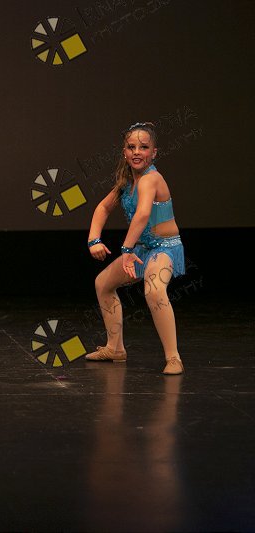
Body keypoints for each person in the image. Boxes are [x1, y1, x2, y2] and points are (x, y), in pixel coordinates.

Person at [85, 122, 185, 375]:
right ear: (124, 152)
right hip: (141, 248)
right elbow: (103, 208)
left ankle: (173, 357)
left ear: (154, 152)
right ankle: (115, 348)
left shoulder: (151, 179)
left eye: (144, 147)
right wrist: (94, 240)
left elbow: (142, 215)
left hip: (164, 248)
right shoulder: (126, 182)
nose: (137, 152)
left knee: (154, 290)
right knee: (103, 284)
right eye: (131, 147)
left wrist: (126, 249)